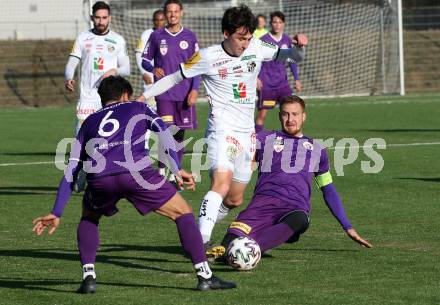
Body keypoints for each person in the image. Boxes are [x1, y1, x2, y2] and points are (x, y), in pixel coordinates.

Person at [32, 76, 236, 293]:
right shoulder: (139, 107)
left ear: (103, 99)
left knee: (89, 216)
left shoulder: (88, 123)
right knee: (183, 212)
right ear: (125, 95)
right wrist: (176, 169)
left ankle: (88, 277)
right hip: (137, 175)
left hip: (101, 180)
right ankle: (205, 276)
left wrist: (56, 211)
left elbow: (71, 169)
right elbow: (165, 136)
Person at [138, 4, 308, 246]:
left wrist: (300, 47)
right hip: (222, 129)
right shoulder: (208, 56)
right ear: (226, 34)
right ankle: (200, 243)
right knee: (222, 182)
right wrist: (143, 97)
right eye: (241, 38)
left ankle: (196, 234)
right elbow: (174, 77)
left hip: (247, 134)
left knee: (234, 199)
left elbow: (292, 56)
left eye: (249, 38)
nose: (245, 44)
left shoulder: (258, 46)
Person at [207, 95, 373, 262]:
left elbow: (328, 189)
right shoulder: (264, 139)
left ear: (303, 116)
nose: (290, 119)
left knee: (299, 219)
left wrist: (348, 227)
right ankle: (231, 250)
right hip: (262, 205)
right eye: (285, 114)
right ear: (280, 116)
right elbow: (238, 156)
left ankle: (252, 250)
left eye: (295, 114)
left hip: (294, 208)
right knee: (229, 244)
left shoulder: (317, 150)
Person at [65, 1, 130, 192]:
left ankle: (104, 176)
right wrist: (69, 78)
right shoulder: (82, 38)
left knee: (107, 139)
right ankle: (81, 173)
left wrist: (114, 70)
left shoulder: (118, 40)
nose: (101, 21)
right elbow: (71, 64)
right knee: (81, 137)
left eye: (104, 18)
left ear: (109, 18)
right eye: (97, 18)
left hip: (109, 97)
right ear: (92, 17)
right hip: (87, 97)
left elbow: (126, 68)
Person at [141, 0, 200, 178]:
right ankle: (161, 170)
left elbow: (196, 66)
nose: (172, 15)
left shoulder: (190, 36)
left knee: (179, 134)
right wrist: (153, 69)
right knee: (165, 130)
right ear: (165, 14)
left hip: (184, 93)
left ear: (181, 12)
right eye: (169, 11)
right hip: (164, 93)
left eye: (176, 11)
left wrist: (195, 90)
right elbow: (145, 59)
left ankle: (176, 173)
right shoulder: (157, 36)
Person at [255, 11, 302, 133]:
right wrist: (256, 78)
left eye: (280, 22)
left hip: (283, 85)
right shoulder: (262, 40)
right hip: (266, 85)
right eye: (275, 22)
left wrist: (296, 79)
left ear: (284, 24)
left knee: (290, 112)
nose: (277, 25)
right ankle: (255, 145)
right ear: (270, 24)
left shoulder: (287, 40)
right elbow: (255, 60)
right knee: (262, 115)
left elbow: (291, 60)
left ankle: (290, 141)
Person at [135, 9, 166, 95]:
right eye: (156, 20)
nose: (159, 22)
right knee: (151, 105)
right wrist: (144, 73)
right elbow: (138, 55)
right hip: (150, 75)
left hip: (166, 77)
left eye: (161, 20)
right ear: (153, 21)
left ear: (166, 20)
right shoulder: (146, 34)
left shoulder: (169, 34)